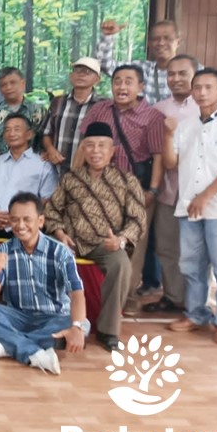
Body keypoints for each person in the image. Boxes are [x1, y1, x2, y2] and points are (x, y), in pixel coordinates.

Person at [164, 68, 217, 345]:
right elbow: (171, 163)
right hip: (188, 206)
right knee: (191, 265)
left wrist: (205, 196)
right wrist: (168, 135)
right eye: (197, 87)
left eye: (208, 87)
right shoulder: (186, 124)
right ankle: (196, 313)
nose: (201, 92)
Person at [43, 122, 147, 351]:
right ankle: (51, 323)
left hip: (105, 244)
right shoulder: (70, 178)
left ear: (112, 151)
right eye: (90, 145)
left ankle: (108, 331)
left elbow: (138, 219)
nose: (95, 151)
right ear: (83, 149)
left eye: (102, 146)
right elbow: (51, 211)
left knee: (120, 264)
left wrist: (120, 240)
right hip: (70, 241)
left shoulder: (127, 180)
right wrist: (59, 233)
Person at [0, 192, 89, 375]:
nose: (20, 225)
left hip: (53, 316)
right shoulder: (3, 250)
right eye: (14, 219)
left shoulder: (60, 252)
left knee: (82, 324)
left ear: (40, 221)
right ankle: (32, 350)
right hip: (17, 316)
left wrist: (76, 327)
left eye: (27, 219)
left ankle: (8, 345)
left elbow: (76, 293)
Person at [80, 64, 164, 315]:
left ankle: (125, 297)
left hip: (135, 190)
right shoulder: (100, 109)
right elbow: (84, 145)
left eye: (129, 81)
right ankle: (97, 295)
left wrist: (153, 191)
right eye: (117, 81)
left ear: (141, 86)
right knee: (100, 240)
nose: (122, 86)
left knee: (133, 245)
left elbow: (158, 156)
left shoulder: (153, 117)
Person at [145, 55, 201, 314]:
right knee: (166, 247)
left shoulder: (210, 105)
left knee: (197, 249)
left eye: (182, 73)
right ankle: (173, 296)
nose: (176, 79)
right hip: (169, 188)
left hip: (201, 191)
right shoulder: (158, 109)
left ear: (195, 74)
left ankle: (196, 302)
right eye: (171, 74)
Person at [0, 113, 58, 259]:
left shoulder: (42, 165)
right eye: (7, 130)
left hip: (24, 221)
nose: (11, 133)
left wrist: (16, 217)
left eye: (17, 129)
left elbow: (46, 199)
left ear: (29, 134)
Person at [40, 57, 104, 174]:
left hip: (88, 173)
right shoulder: (58, 102)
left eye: (87, 72)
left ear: (97, 79)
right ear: (71, 76)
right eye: (77, 70)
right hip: (56, 171)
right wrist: (50, 149)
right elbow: (46, 132)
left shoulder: (103, 106)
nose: (81, 75)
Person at [96, 19, 182, 104]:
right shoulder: (142, 68)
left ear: (178, 42)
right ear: (149, 43)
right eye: (156, 39)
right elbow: (106, 66)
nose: (161, 43)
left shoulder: (188, 72)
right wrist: (107, 36)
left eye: (167, 38)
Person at [0, 67, 47, 162]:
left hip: (34, 164)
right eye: (4, 85)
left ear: (23, 83)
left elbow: (48, 137)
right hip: (2, 165)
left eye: (13, 83)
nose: (8, 87)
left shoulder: (38, 111)